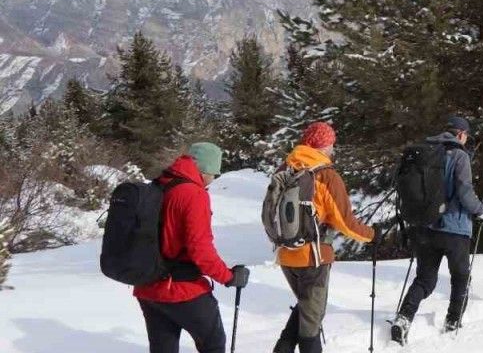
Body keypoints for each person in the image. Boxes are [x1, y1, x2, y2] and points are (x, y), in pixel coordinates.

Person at [134, 142, 250, 353]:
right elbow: (200, 249)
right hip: (181, 289)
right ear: (205, 171)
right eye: (213, 174)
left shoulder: (160, 184)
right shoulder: (193, 194)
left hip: (148, 287)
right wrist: (228, 277)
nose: (213, 180)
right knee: (213, 344)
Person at [272, 122, 374, 353]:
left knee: (306, 310)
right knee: (311, 323)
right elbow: (345, 222)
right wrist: (371, 235)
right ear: (324, 145)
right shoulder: (326, 175)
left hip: (286, 254)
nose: (332, 149)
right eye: (331, 144)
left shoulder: (284, 169)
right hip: (313, 257)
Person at [391, 116, 483, 342]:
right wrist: (482, 210)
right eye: (466, 135)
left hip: (425, 226)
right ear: (461, 134)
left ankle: (403, 318)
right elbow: (465, 193)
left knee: (424, 280)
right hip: (455, 229)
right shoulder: (459, 156)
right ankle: (452, 322)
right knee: (460, 278)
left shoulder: (426, 152)